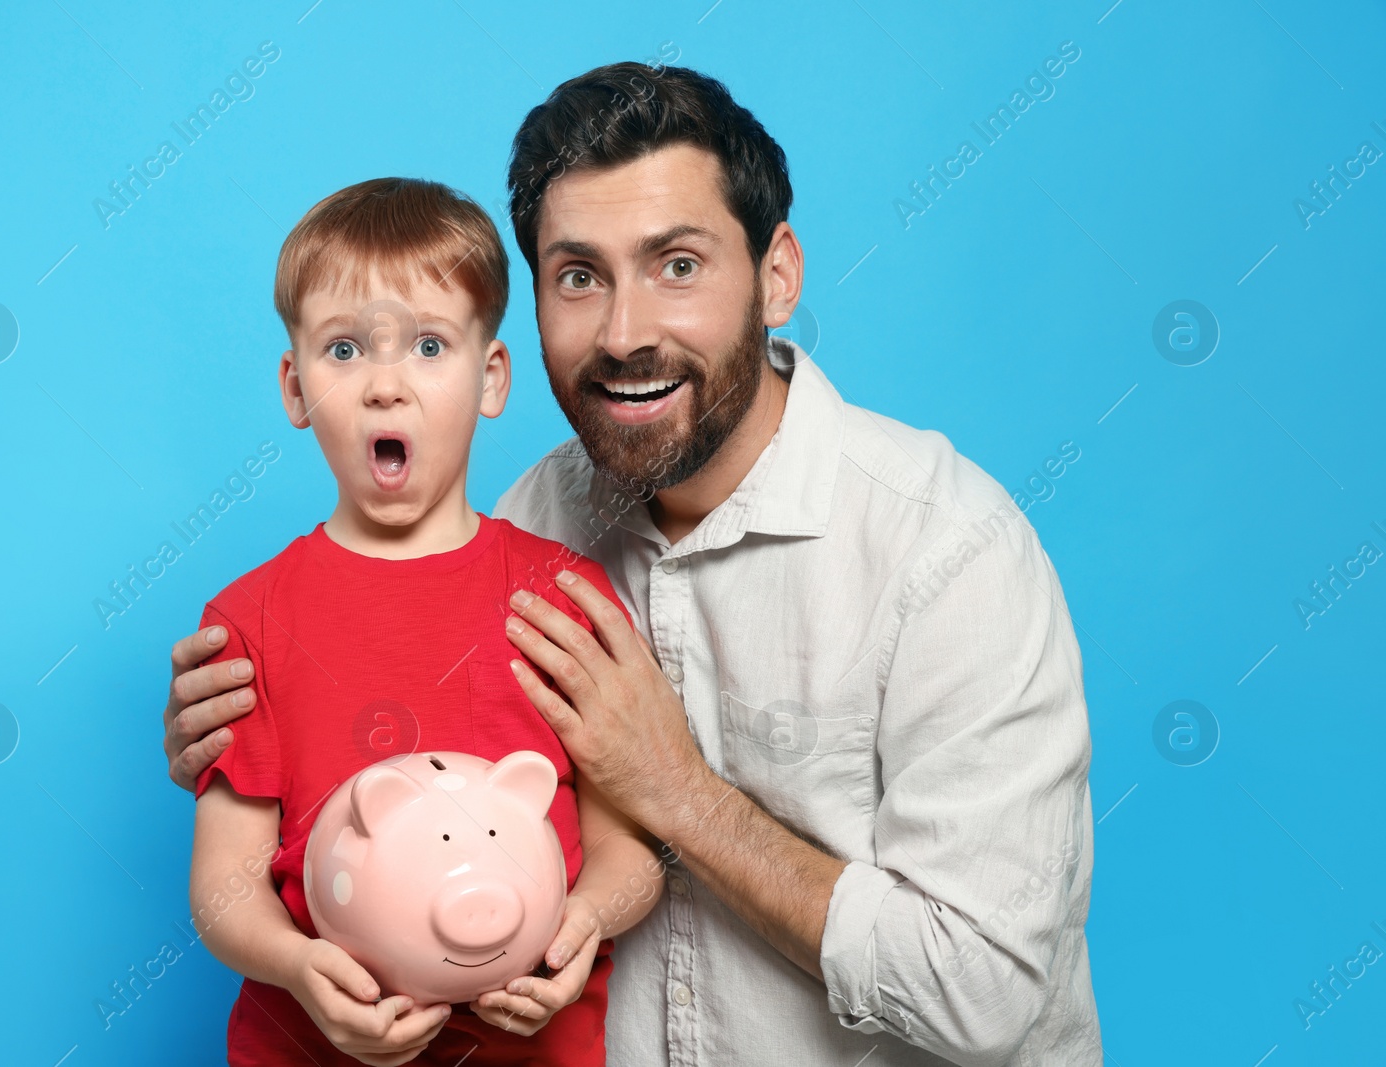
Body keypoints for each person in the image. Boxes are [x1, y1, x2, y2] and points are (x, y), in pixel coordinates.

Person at [169, 64, 1101, 1066]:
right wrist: (255, 722)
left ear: (777, 274)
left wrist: (680, 793)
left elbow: (985, 992)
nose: (624, 334)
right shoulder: (529, 524)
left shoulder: (946, 551)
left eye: (678, 265)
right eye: (578, 276)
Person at [187, 176, 663, 1067]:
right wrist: (299, 965)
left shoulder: (565, 598)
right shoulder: (250, 618)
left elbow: (626, 850)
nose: (385, 386)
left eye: (430, 346)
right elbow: (222, 888)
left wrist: (584, 923)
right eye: (343, 350)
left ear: (491, 378)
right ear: (294, 389)